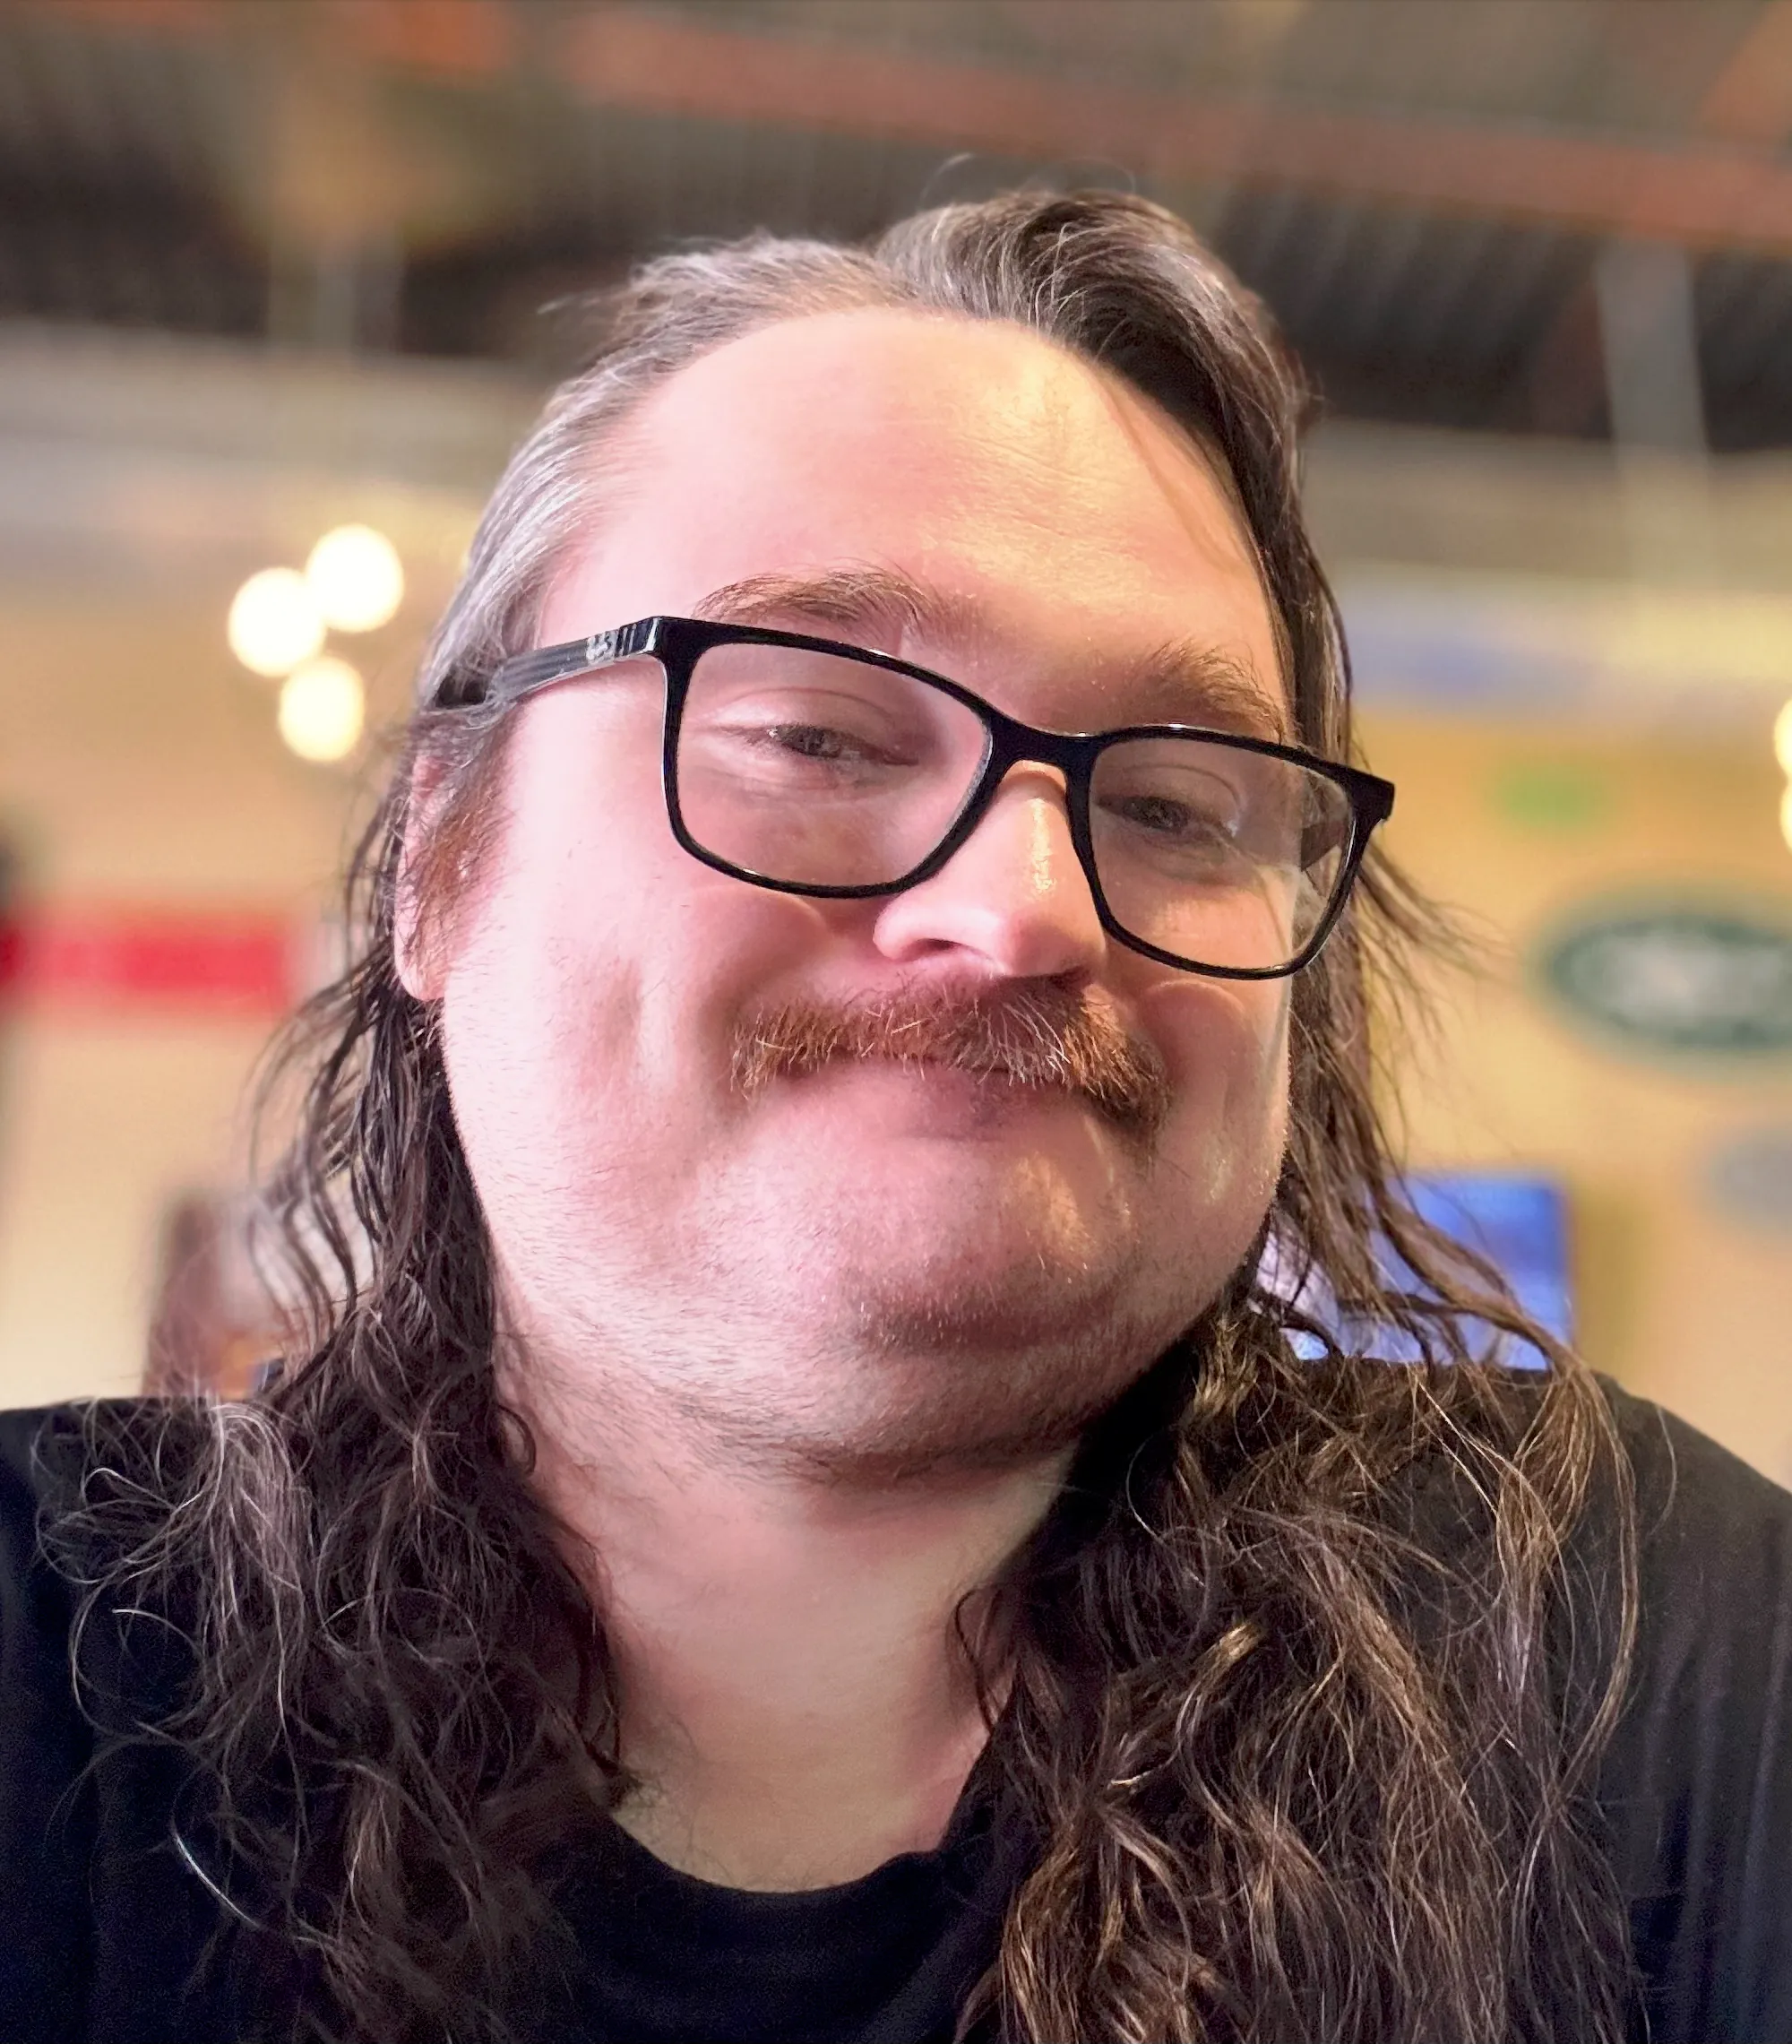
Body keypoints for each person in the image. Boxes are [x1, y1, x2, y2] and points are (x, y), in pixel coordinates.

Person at [3, 189, 1789, 2044]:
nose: (1027, 909)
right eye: (819, 737)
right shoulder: (61, 1680)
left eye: (1174, 808)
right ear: (442, 859)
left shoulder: (1637, 1663)